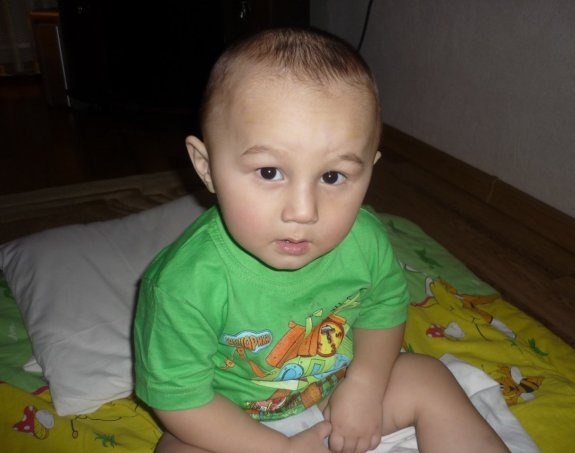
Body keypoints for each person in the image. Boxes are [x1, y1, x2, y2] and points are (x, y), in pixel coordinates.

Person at [133, 28, 509, 453]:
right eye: (270, 172)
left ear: (369, 170)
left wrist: (365, 385)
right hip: (232, 423)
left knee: (428, 378)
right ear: (206, 167)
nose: (304, 210)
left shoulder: (365, 241)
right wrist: (279, 449)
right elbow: (181, 401)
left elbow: (383, 308)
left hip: (338, 393)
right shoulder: (182, 284)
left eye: (333, 176)